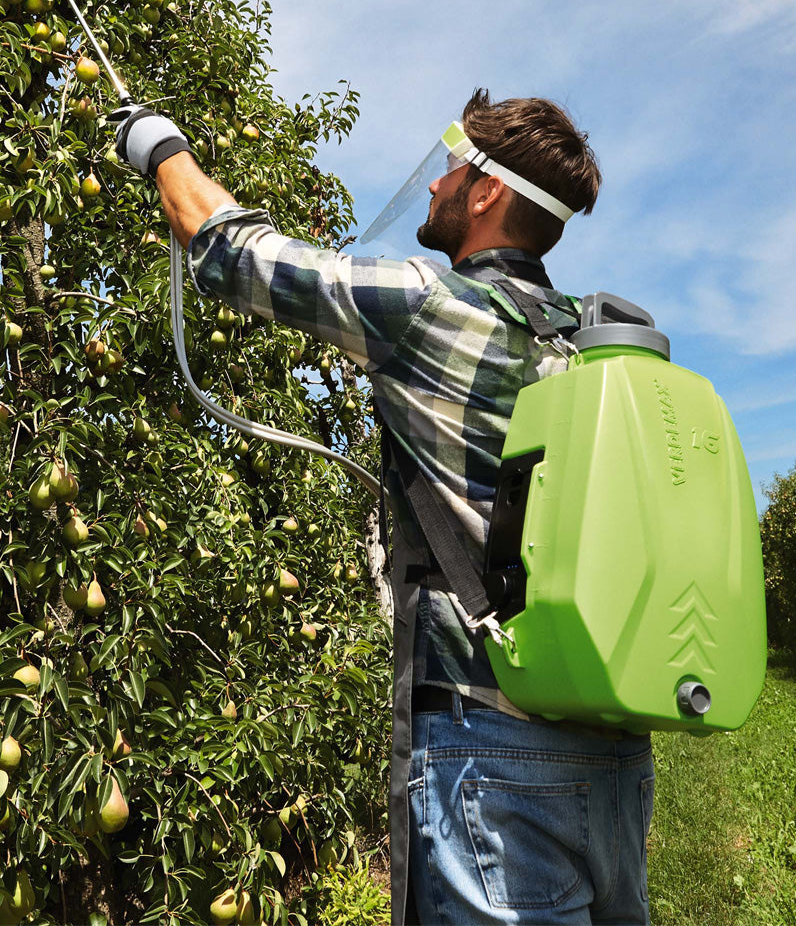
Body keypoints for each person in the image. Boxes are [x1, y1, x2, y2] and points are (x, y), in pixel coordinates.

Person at [112, 90, 655, 926]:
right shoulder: (584, 346)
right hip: (614, 754)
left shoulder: (428, 306)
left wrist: (159, 145)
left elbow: (233, 254)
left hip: (492, 746)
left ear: (485, 193)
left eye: (450, 167)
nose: (433, 186)